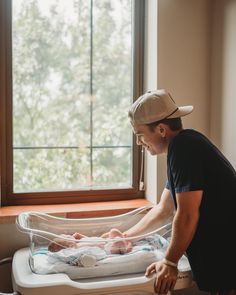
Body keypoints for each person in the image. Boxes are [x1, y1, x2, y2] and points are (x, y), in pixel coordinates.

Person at [125, 89, 236, 295]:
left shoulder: (184, 148)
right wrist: (125, 237)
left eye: (140, 135)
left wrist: (169, 262)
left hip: (228, 255)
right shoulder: (183, 147)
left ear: (160, 129)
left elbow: (186, 214)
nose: (139, 143)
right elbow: (163, 209)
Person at [48, 228, 132, 254]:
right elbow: (90, 244)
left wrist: (81, 236)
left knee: (111, 232)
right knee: (115, 233)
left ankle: (122, 242)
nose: (69, 235)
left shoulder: (80, 242)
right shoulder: (76, 249)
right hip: (108, 249)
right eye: (67, 237)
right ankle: (124, 247)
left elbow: (90, 239)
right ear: (69, 245)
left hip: (105, 242)